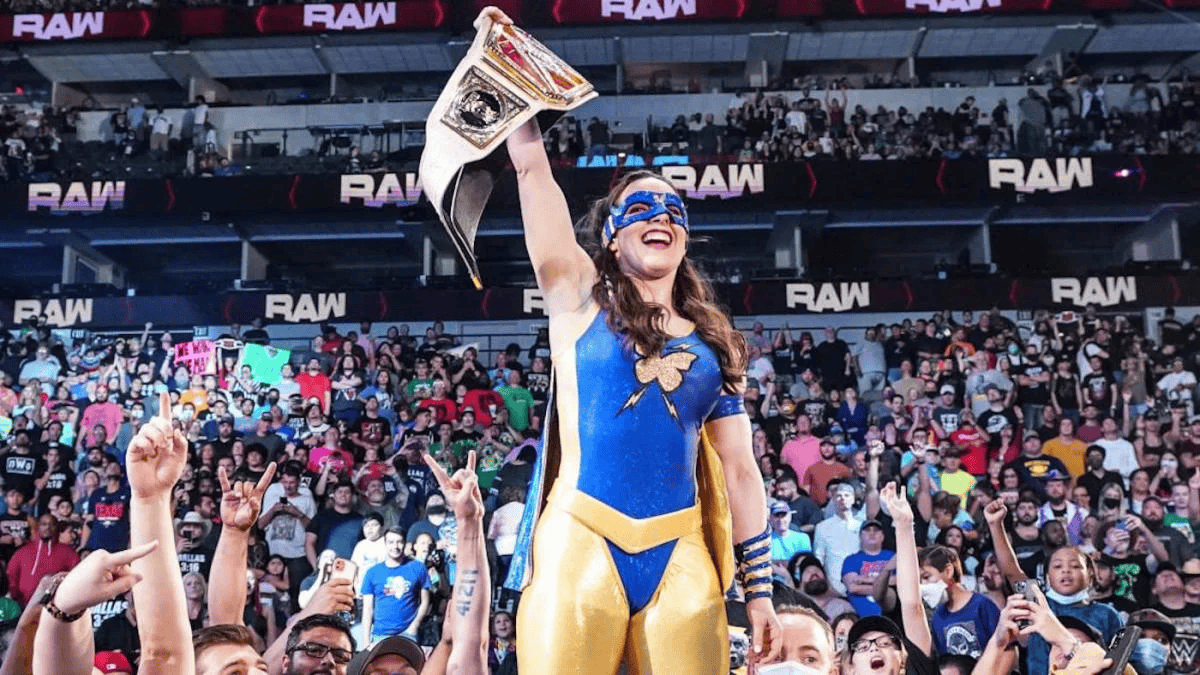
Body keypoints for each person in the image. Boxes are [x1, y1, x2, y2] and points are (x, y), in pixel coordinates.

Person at [491, 6, 779, 672]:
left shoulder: (714, 344)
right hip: (579, 535)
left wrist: (759, 591)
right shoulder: (576, 298)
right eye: (641, 209)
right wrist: (510, 85)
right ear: (611, 237)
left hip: (683, 554)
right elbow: (534, 175)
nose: (662, 217)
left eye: (674, 211)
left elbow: (739, 470)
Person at [361, 527, 431, 644]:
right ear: (385, 544)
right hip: (380, 635)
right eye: (391, 542)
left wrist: (414, 626)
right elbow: (367, 609)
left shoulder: (418, 567)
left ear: (405, 544)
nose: (395, 546)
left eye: (399, 542)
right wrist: (366, 641)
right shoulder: (372, 572)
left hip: (408, 634)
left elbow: (425, 601)